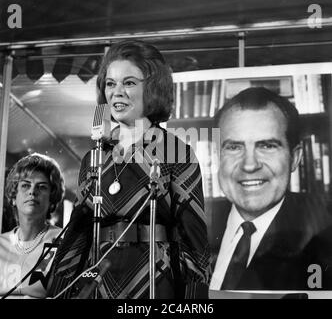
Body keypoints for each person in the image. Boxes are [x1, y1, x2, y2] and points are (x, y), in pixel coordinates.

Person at [47, 39, 211, 299]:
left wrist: (193, 299)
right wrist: (59, 290)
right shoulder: (94, 157)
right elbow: (77, 236)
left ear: (154, 88)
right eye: (110, 83)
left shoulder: (176, 152)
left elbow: (194, 241)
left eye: (129, 82)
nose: (117, 92)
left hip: (154, 283)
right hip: (98, 281)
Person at [209, 87, 332, 291]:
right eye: (234, 147)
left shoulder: (324, 233)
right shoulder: (191, 225)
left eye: (267, 146)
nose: (249, 165)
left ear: (296, 158)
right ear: (217, 157)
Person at [0, 153, 65, 298]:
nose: (32, 191)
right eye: (25, 185)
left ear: (52, 198)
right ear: (13, 197)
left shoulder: (63, 241)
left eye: (41, 187)